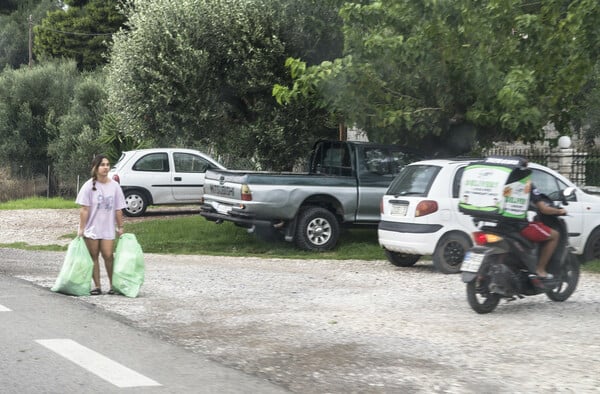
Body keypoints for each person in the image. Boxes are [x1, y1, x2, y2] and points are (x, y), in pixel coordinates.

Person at [76, 154, 127, 295]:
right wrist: (81, 229)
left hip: (107, 228)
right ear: (95, 168)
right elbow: (84, 209)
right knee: (93, 256)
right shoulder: (88, 186)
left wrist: (120, 227)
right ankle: (97, 286)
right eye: (102, 165)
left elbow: (118, 209)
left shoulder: (115, 186)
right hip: (91, 228)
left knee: (108, 255)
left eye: (107, 165)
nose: (106, 168)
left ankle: (113, 285)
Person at [520, 183, 567, 280]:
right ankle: (540, 269)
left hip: (501, 225)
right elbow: (543, 209)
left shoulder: (502, 181)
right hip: (521, 225)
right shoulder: (527, 184)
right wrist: (559, 211)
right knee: (555, 235)